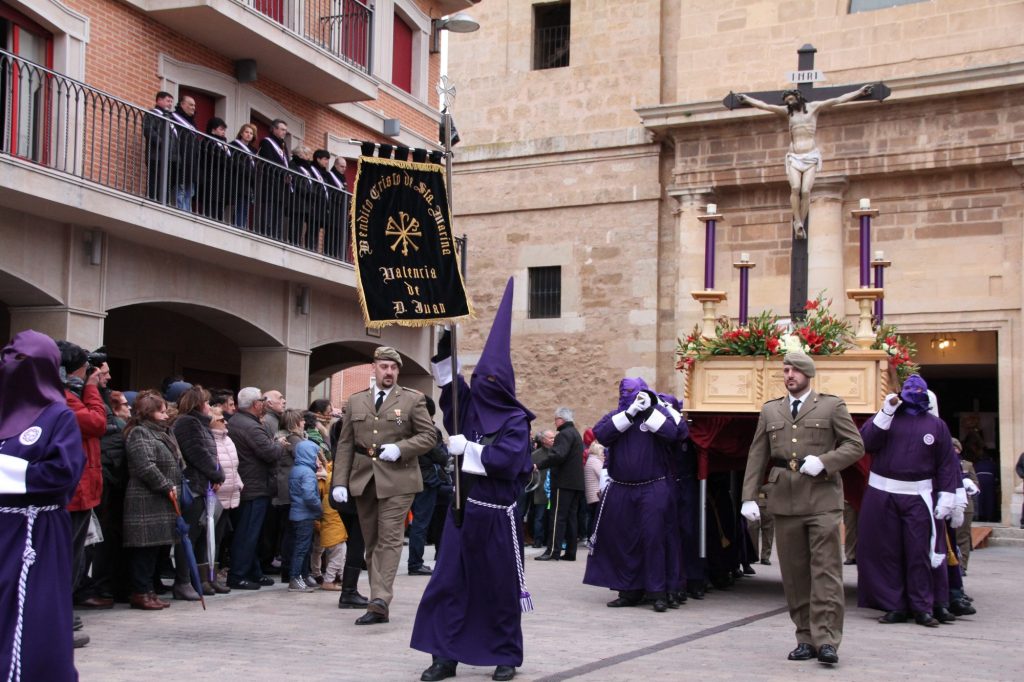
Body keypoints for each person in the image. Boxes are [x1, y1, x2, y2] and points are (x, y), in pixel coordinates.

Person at [412, 278, 535, 682]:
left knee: (497, 590)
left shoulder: (517, 422)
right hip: (463, 514)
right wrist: (447, 361)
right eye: (479, 381)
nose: (482, 388)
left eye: (490, 383)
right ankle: (444, 655)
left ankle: (505, 655)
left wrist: (471, 450)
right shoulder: (473, 410)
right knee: (449, 583)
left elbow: (508, 459)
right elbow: (453, 395)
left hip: (499, 517)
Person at [740, 352, 864, 666]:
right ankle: (805, 637)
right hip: (784, 500)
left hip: (822, 500)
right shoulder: (771, 410)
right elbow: (757, 455)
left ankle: (827, 641)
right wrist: (748, 497)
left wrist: (824, 461)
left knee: (825, 572)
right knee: (794, 575)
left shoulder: (831, 406)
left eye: (795, 370)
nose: (789, 374)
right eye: (785, 370)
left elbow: (855, 446)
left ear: (808, 373)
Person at [0, 330, 86, 679]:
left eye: (19, 358)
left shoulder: (57, 416)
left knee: (32, 610)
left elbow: (63, 472)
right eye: (5, 354)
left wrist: (7, 473)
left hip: (34, 530)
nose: (8, 363)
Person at [331, 346, 436, 625]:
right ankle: (377, 598)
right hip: (364, 479)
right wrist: (338, 482)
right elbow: (346, 445)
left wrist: (401, 448)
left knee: (389, 538)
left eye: (393, 367)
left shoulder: (412, 400)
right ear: (374, 368)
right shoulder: (356, 401)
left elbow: (429, 437)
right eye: (383, 366)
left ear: (398, 371)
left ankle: (379, 599)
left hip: (399, 479)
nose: (388, 372)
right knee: (372, 541)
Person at [856, 376, 961, 627]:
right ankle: (894, 605)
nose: (913, 393)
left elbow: (947, 464)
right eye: (909, 389)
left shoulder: (937, 426)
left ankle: (922, 606)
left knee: (919, 553)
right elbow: (865, 442)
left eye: (918, 390)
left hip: (918, 496)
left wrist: (947, 495)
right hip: (883, 493)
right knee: (886, 552)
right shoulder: (888, 418)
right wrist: (886, 412)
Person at [584, 379, 685, 613]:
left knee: (654, 539)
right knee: (623, 540)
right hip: (621, 488)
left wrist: (649, 410)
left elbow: (672, 433)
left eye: (632, 392)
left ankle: (658, 591)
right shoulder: (617, 415)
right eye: (624, 392)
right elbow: (601, 434)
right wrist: (629, 414)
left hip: (652, 487)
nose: (628, 395)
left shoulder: (656, 412)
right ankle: (628, 590)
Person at [736, 84, 873, 238]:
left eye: (791, 99)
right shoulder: (788, 113)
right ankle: (797, 222)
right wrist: (747, 99)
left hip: (810, 156)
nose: (789, 102)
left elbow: (837, 100)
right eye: (787, 100)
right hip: (794, 156)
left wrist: (859, 93)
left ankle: (800, 222)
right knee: (795, 187)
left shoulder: (813, 108)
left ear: (798, 97)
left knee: (806, 191)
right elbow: (766, 106)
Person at [57, 340, 107, 630]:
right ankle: (59, 611)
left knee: (74, 555)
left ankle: (62, 608)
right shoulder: (61, 397)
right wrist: (91, 386)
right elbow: (97, 423)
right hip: (72, 490)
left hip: (82, 488)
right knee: (67, 556)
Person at [123, 390, 184, 611]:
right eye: (161, 411)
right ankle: (141, 592)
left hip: (161, 499)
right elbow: (145, 465)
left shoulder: (162, 432)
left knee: (154, 549)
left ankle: (149, 590)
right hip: (146, 499)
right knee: (144, 549)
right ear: (149, 412)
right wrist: (166, 485)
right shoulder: (140, 433)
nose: (166, 415)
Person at [171, 385, 228, 597]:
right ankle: (184, 581)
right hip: (193, 486)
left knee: (206, 536)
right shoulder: (188, 423)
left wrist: (215, 474)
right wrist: (217, 473)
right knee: (190, 536)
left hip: (204, 487)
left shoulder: (199, 424)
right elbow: (198, 454)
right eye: (206, 402)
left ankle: (204, 579)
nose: (210, 406)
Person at [226, 387, 285, 590]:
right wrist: (279, 444)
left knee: (252, 533)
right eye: (262, 400)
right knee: (247, 533)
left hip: (250, 484)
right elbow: (269, 452)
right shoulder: (250, 426)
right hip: (253, 487)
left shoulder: (238, 421)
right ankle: (238, 574)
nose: (264, 403)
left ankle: (253, 571)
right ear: (256, 404)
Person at [534, 407, 585, 562]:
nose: (555, 422)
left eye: (556, 419)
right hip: (575, 483)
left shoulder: (563, 434)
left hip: (563, 482)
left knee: (557, 517)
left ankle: (552, 551)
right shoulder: (575, 433)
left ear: (561, 420)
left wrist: (539, 464)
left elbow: (558, 455)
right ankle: (570, 552)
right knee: (571, 518)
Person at [408, 396, 450, 576]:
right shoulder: (429, 430)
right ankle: (416, 563)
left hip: (409, 478)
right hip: (428, 480)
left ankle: (417, 561)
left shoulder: (407, 428)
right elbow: (440, 455)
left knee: (415, 522)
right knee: (421, 523)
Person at [208, 405, 241, 590]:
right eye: (221, 419)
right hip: (215, 495)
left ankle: (213, 575)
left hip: (230, 494)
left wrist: (238, 482)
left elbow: (234, 466)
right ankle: (207, 577)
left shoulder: (228, 440)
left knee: (219, 538)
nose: (225, 422)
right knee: (209, 538)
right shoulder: (209, 440)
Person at [287, 440, 322, 593]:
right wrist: (319, 508)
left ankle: (304, 575)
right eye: (315, 455)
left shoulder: (296, 469)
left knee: (305, 547)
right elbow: (309, 495)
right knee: (302, 548)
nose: (317, 459)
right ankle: (295, 578)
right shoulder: (307, 473)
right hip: (304, 514)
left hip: (297, 513)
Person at [310, 453, 346, 591]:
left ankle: (339, 576)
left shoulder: (325, 483)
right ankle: (329, 579)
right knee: (338, 554)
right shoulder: (332, 489)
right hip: (333, 529)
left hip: (328, 526)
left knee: (331, 552)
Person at [257, 119, 290, 239]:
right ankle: (267, 233)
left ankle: (277, 235)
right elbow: (269, 161)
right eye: (282, 129)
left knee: (279, 211)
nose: (284, 132)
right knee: (270, 210)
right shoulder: (267, 142)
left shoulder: (283, 145)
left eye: (285, 130)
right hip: (270, 183)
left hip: (281, 186)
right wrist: (283, 175)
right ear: (274, 129)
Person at [169, 94, 199, 212]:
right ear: (182, 104)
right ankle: (182, 213)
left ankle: (188, 213)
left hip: (191, 164)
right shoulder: (173, 117)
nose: (193, 107)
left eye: (194, 105)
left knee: (190, 192)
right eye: (191, 104)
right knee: (180, 190)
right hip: (180, 161)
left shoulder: (193, 124)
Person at [143, 90, 175, 201]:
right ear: (159, 100)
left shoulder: (170, 118)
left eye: (171, 101)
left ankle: (163, 202)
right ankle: (153, 200)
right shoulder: (153, 113)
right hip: (155, 155)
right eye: (168, 101)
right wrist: (163, 142)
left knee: (165, 182)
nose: (170, 104)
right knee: (154, 181)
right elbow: (148, 130)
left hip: (168, 157)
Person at [199, 117, 231, 221]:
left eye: (224, 130)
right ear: (213, 129)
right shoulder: (207, 141)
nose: (223, 132)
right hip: (211, 178)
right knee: (211, 203)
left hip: (222, 180)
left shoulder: (225, 144)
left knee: (220, 205)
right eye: (221, 129)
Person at [229, 124, 258, 229]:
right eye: (246, 132)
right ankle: (237, 225)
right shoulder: (234, 145)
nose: (249, 135)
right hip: (238, 180)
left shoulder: (254, 151)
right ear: (241, 133)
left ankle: (242, 225)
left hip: (248, 183)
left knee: (245, 206)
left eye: (251, 133)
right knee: (239, 205)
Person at [583, 442, 605, 539]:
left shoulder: (590, 460)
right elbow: (602, 475)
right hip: (596, 494)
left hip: (591, 494)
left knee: (592, 517)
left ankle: (590, 537)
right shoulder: (595, 461)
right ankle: (592, 538)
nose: (604, 454)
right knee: (595, 518)